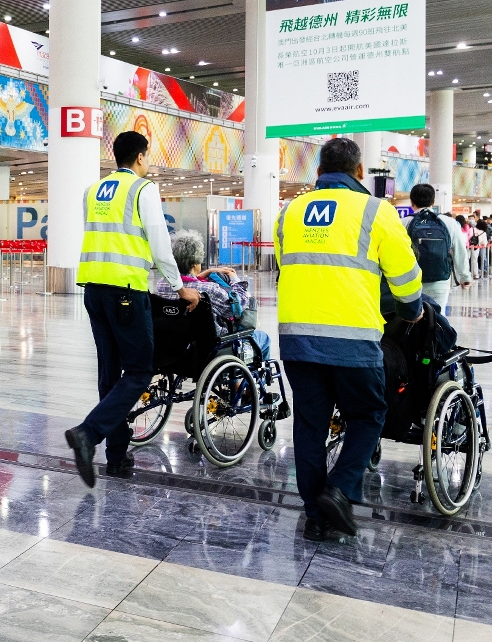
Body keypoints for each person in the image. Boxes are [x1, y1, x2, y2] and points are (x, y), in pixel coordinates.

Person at [275, 137, 422, 541]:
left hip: (298, 338)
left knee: (310, 426)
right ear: (359, 172)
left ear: (319, 172)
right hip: (353, 338)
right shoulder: (377, 211)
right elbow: (406, 277)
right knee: (368, 415)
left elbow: (287, 266)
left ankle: (315, 516)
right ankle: (339, 490)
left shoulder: (289, 212)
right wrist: (412, 310)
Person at [65, 131, 200, 487]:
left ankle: (116, 457)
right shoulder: (143, 189)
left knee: (110, 374)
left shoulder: (92, 191)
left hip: (93, 289)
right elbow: (159, 245)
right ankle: (88, 434)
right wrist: (180, 288)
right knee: (139, 371)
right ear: (140, 157)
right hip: (126, 291)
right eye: (148, 156)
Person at [156, 228, 271, 360]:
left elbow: (186, 282)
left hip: (176, 349)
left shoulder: (162, 285)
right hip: (213, 350)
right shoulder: (210, 290)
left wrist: (202, 275)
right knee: (263, 338)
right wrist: (233, 278)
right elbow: (240, 305)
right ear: (195, 263)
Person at [404, 183, 471, 312]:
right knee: (437, 317)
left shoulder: (404, 222)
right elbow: (459, 251)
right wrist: (464, 277)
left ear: (411, 202)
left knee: (410, 318)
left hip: (410, 281)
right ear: (433, 201)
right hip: (440, 281)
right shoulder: (449, 223)